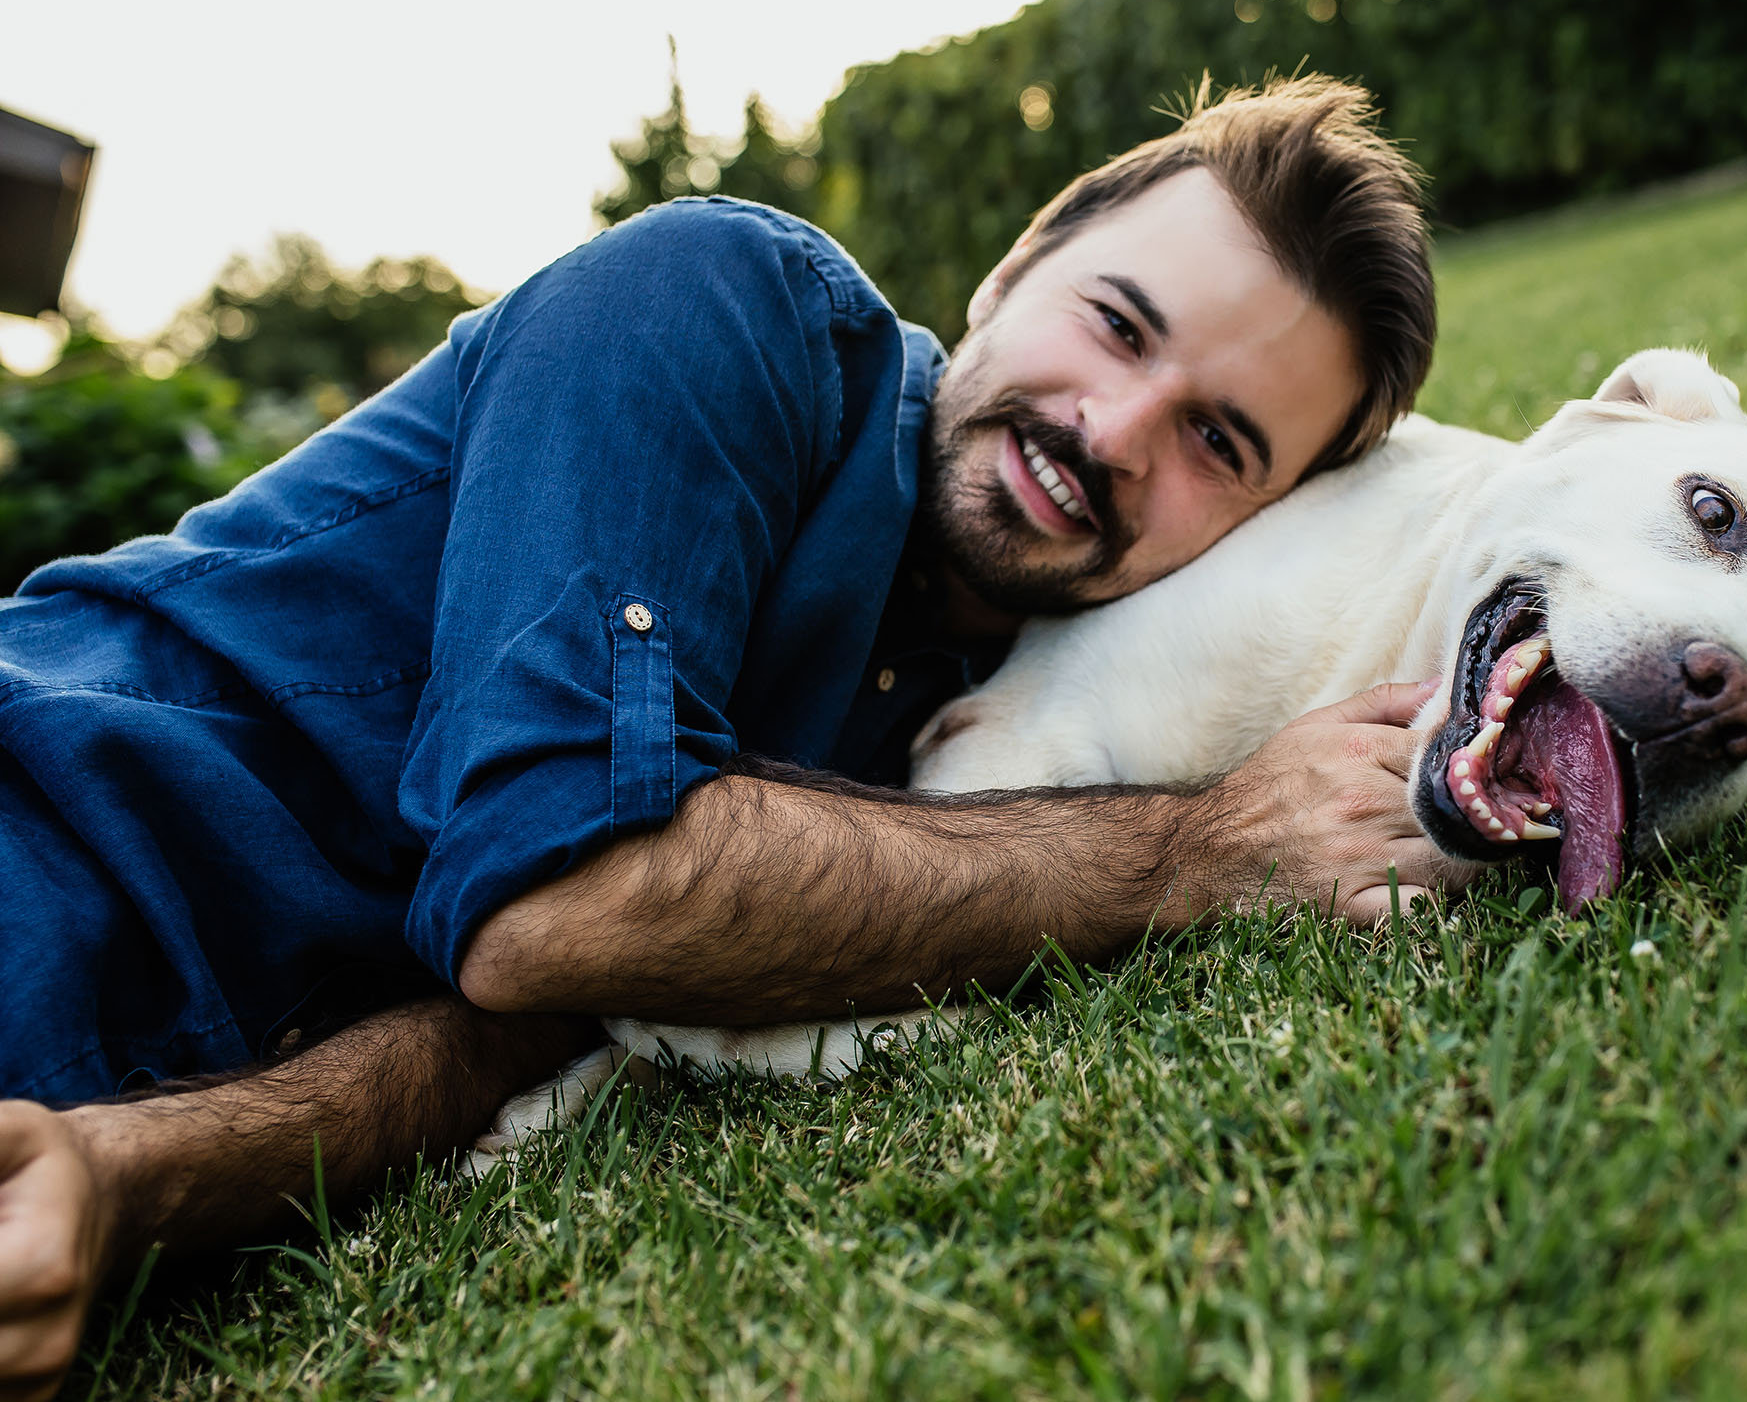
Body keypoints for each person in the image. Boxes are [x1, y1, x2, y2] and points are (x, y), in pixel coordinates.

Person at [0, 77, 1469, 1394]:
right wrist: (1192, 853)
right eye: (1117, 324)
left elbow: (499, 1032)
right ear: (1013, 268)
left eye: (1220, 443)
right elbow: (564, 903)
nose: (1113, 429)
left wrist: (118, 1177)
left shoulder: (945, 761)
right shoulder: (727, 301)